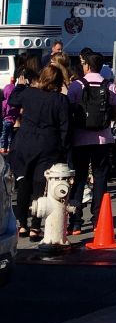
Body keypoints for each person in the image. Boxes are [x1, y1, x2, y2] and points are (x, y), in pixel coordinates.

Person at [9, 64, 70, 240]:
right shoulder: (60, 100)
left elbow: (13, 100)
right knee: (40, 186)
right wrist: (64, 150)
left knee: (23, 184)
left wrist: (20, 85)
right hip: (48, 144)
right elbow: (65, 127)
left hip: (25, 142)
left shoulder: (29, 93)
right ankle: (36, 226)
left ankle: (22, 224)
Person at [67, 51, 116, 235]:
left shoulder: (76, 86)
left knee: (79, 178)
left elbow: (69, 111)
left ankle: (75, 221)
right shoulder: (110, 87)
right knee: (100, 178)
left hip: (80, 138)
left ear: (87, 66)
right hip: (103, 138)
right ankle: (98, 219)